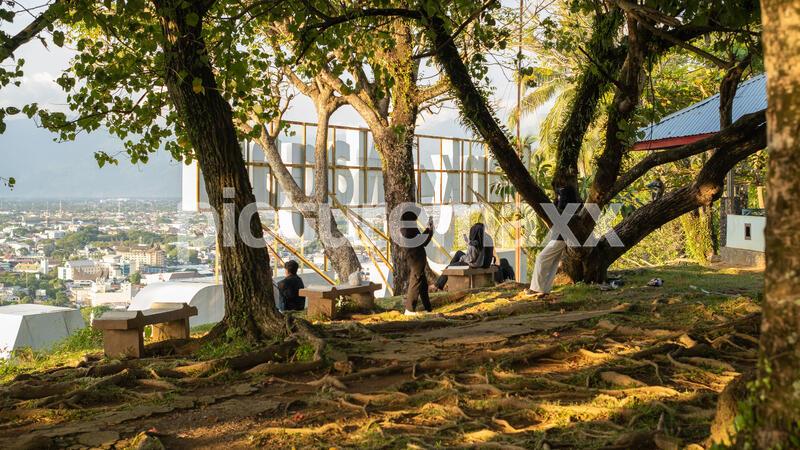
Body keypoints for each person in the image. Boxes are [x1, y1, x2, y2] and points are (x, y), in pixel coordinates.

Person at [529, 186, 580, 294]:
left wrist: (558, 198)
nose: (558, 197)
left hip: (559, 238)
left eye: (560, 195)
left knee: (541, 259)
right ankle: (544, 289)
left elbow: (557, 208)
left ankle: (535, 289)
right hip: (560, 237)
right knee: (552, 263)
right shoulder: (572, 206)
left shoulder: (566, 207)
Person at [433, 222, 495, 291]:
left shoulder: (476, 241)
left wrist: (462, 259)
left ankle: (438, 286)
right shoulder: (487, 237)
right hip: (485, 263)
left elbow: (471, 259)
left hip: (475, 264)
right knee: (459, 253)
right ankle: (452, 267)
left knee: (448, 267)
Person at [400, 209, 434, 316]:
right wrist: (429, 229)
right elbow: (422, 241)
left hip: (416, 258)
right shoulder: (408, 229)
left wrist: (429, 229)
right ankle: (409, 310)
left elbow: (422, 241)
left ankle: (427, 308)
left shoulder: (408, 228)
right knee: (415, 282)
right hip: (416, 259)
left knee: (423, 285)